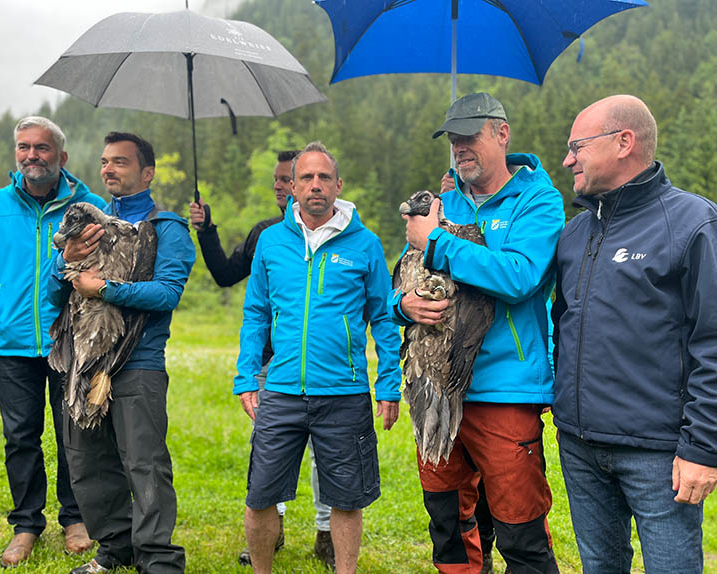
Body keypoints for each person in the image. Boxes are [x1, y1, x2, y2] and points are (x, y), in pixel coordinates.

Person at [390, 92, 564, 574]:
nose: (460, 147)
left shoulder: (539, 202)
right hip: (437, 392)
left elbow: (519, 276)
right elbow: (402, 278)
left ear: (501, 134)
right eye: (453, 138)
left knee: (520, 531)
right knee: (448, 527)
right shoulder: (440, 203)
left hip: (503, 389)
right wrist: (404, 306)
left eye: (470, 136)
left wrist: (438, 242)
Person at [552, 94, 717, 574]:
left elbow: (712, 340)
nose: (568, 160)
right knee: (599, 567)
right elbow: (562, 324)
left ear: (624, 142)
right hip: (579, 444)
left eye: (577, 145)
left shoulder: (693, 223)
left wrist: (703, 448)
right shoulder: (574, 233)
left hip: (659, 452)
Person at [234, 141, 401, 574]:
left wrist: (388, 383)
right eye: (305, 177)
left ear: (338, 185)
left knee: (346, 498)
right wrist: (246, 376)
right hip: (281, 390)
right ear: (291, 186)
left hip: (344, 394)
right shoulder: (271, 242)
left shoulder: (365, 244)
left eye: (323, 177)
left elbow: (383, 318)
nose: (315, 185)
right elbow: (255, 313)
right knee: (260, 495)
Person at [47, 132, 195, 574]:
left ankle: (158, 559)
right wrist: (64, 259)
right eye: (105, 161)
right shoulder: (82, 223)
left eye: (121, 163)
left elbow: (166, 293)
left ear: (147, 173)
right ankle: (115, 548)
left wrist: (106, 289)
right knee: (85, 460)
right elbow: (54, 293)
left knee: (144, 464)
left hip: (138, 364)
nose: (109, 169)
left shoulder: (167, 228)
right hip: (81, 364)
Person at [188, 150, 335, 568]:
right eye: (277, 179)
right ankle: (275, 530)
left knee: (326, 455)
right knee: (271, 452)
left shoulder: (339, 234)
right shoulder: (265, 234)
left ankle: (327, 533)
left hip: (325, 368)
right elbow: (224, 274)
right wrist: (207, 229)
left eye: (285, 177)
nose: (278, 185)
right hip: (274, 365)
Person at [0, 116, 104, 567]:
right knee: (20, 436)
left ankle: (76, 519)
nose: (32, 155)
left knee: (75, 434)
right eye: (24, 147)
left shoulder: (90, 206)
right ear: (16, 153)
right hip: (12, 343)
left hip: (70, 342)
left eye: (42, 148)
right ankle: (26, 524)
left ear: (61, 156)